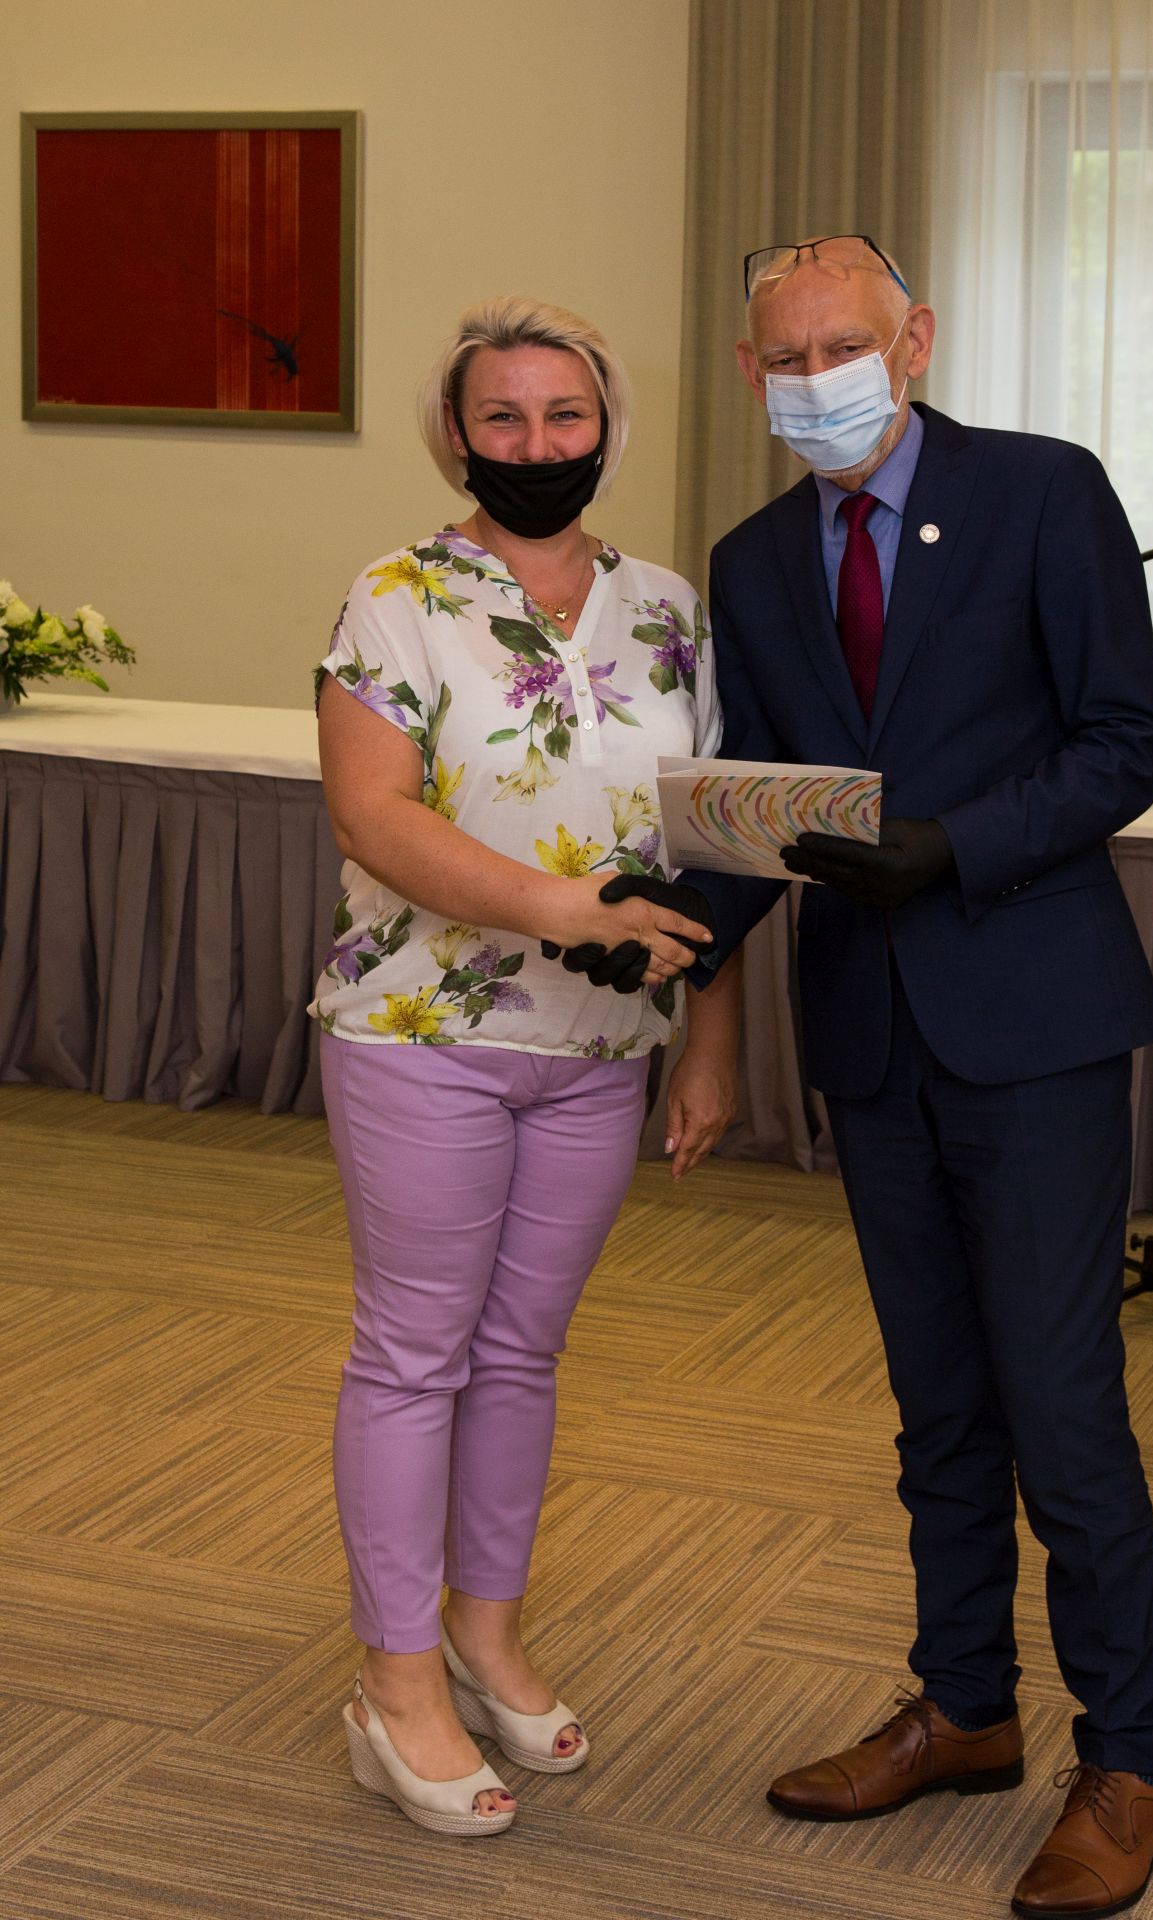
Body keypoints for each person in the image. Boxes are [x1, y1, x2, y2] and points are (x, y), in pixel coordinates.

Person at [563, 235, 1153, 1915]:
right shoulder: (755, 558)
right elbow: (766, 811)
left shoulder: (1043, 491)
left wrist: (954, 848)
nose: (816, 376)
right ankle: (967, 1705)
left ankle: (1133, 1760)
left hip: (1034, 1023)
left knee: (1060, 1406)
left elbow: (1129, 740)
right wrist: (657, 926)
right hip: (873, 1035)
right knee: (937, 1407)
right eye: (786, 357)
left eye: (843, 344)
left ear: (914, 340)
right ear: (750, 374)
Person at [312, 295, 741, 1838]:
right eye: (504, 415)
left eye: (566, 415)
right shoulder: (396, 598)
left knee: (522, 1354)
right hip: (425, 1031)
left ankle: (486, 1636)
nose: (537, 443)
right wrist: (564, 910)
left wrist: (711, 1042)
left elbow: (706, 839)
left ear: (606, 426)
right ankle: (395, 1679)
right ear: (457, 432)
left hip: (605, 1049)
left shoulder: (670, 606)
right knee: (415, 1353)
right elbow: (374, 814)